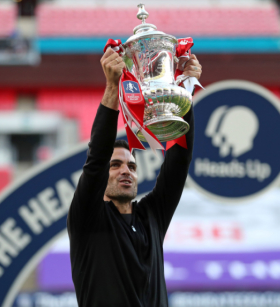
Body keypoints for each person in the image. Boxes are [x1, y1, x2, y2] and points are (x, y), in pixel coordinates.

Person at [67, 47, 202, 307]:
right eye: (115, 165)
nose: (125, 170)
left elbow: (179, 161)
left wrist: (184, 92)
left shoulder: (151, 216)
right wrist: (112, 88)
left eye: (131, 166)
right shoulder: (88, 217)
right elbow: (96, 161)